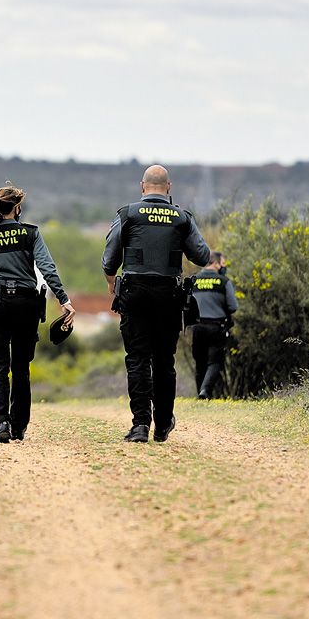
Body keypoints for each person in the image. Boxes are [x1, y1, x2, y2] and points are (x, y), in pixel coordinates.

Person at [103, 165, 211, 443]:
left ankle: (140, 425)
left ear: (142, 186)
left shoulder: (128, 213)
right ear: (169, 187)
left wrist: (110, 281)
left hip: (134, 293)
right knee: (164, 361)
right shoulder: (182, 218)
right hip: (168, 295)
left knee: (137, 359)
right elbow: (202, 255)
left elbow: (109, 258)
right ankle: (163, 424)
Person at [0, 185, 76, 443]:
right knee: (20, 367)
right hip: (25, 306)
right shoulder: (31, 233)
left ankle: (1, 423)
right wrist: (64, 299)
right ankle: (18, 427)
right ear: (16, 208)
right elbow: (47, 269)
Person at [189, 252, 238, 400]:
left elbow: (186, 305)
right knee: (215, 362)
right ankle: (205, 391)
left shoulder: (194, 280)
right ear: (216, 264)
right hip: (216, 327)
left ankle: (200, 393)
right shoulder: (223, 281)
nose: (224, 267)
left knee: (200, 362)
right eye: (222, 263)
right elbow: (233, 306)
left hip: (197, 327)